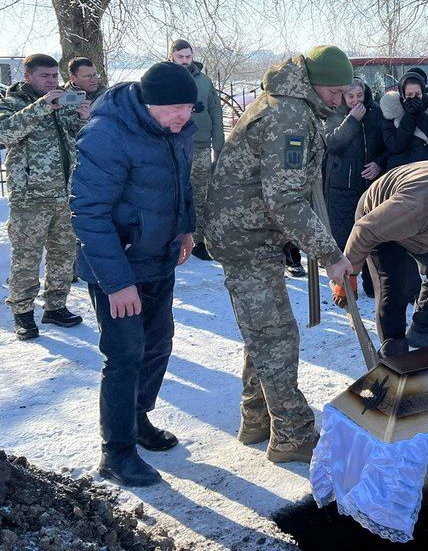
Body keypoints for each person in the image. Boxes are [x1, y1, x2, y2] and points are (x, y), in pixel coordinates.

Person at [206, 46, 354, 464]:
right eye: (333, 91)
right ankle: (292, 434)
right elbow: (285, 200)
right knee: (276, 335)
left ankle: (257, 419)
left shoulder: (293, 104)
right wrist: (330, 255)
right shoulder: (289, 115)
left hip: (253, 231)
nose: (338, 100)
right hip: (245, 236)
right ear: (314, 83)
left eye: (343, 92)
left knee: (264, 331)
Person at [70, 62, 197, 487]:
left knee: (158, 345)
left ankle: (138, 418)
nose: (184, 116)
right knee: (125, 356)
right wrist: (118, 283)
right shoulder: (107, 135)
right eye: (176, 107)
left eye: (189, 107)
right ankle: (117, 451)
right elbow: (89, 213)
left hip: (159, 258)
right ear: (150, 103)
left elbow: (181, 185)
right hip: (119, 267)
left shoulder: (176, 131)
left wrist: (186, 228)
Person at [1, 54, 89, 340]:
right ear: (28, 76)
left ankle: (56, 306)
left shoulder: (63, 102)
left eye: (54, 76)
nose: (52, 81)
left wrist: (83, 119)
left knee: (63, 254)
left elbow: (76, 139)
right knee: (26, 258)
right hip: (30, 197)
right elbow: (4, 134)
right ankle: (23, 314)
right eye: (45, 76)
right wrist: (41, 106)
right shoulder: (13, 103)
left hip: (64, 194)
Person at [336, 160, 428, 354]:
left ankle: (422, 330)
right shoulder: (416, 206)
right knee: (397, 284)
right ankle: (393, 344)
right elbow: (364, 231)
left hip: (427, 226)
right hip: (380, 219)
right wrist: (348, 275)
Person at [167, 40, 224, 261]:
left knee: (200, 194)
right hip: (171, 146)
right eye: (180, 56)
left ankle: (199, 240)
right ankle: (171, 239)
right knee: (171, 193)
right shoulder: (162, 78)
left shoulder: (204, 81)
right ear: (171, 56)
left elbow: (216, 112)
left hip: (199, 145)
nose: (184, 60)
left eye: (187, 57)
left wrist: (218, 145)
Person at [323, 78, 386, 252]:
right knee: (343, 241)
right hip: (341, 188)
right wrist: (352, 120)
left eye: (359, 95)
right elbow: (332, 145)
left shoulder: (376, 113)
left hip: (370, 187)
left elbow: (387, 146)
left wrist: (379, 163)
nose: (355, 100)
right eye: (350, 96)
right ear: (343, 97)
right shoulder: (334, 114)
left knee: (369, 242)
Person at [380, 70, 428, 169]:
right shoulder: (392, 110)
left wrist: (420, 115)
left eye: (418, 94)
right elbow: (395, 146)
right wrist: (409, 116)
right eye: (409, 95)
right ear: (402, 94)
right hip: (401, 168)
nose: (413, 98)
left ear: (423, 92)